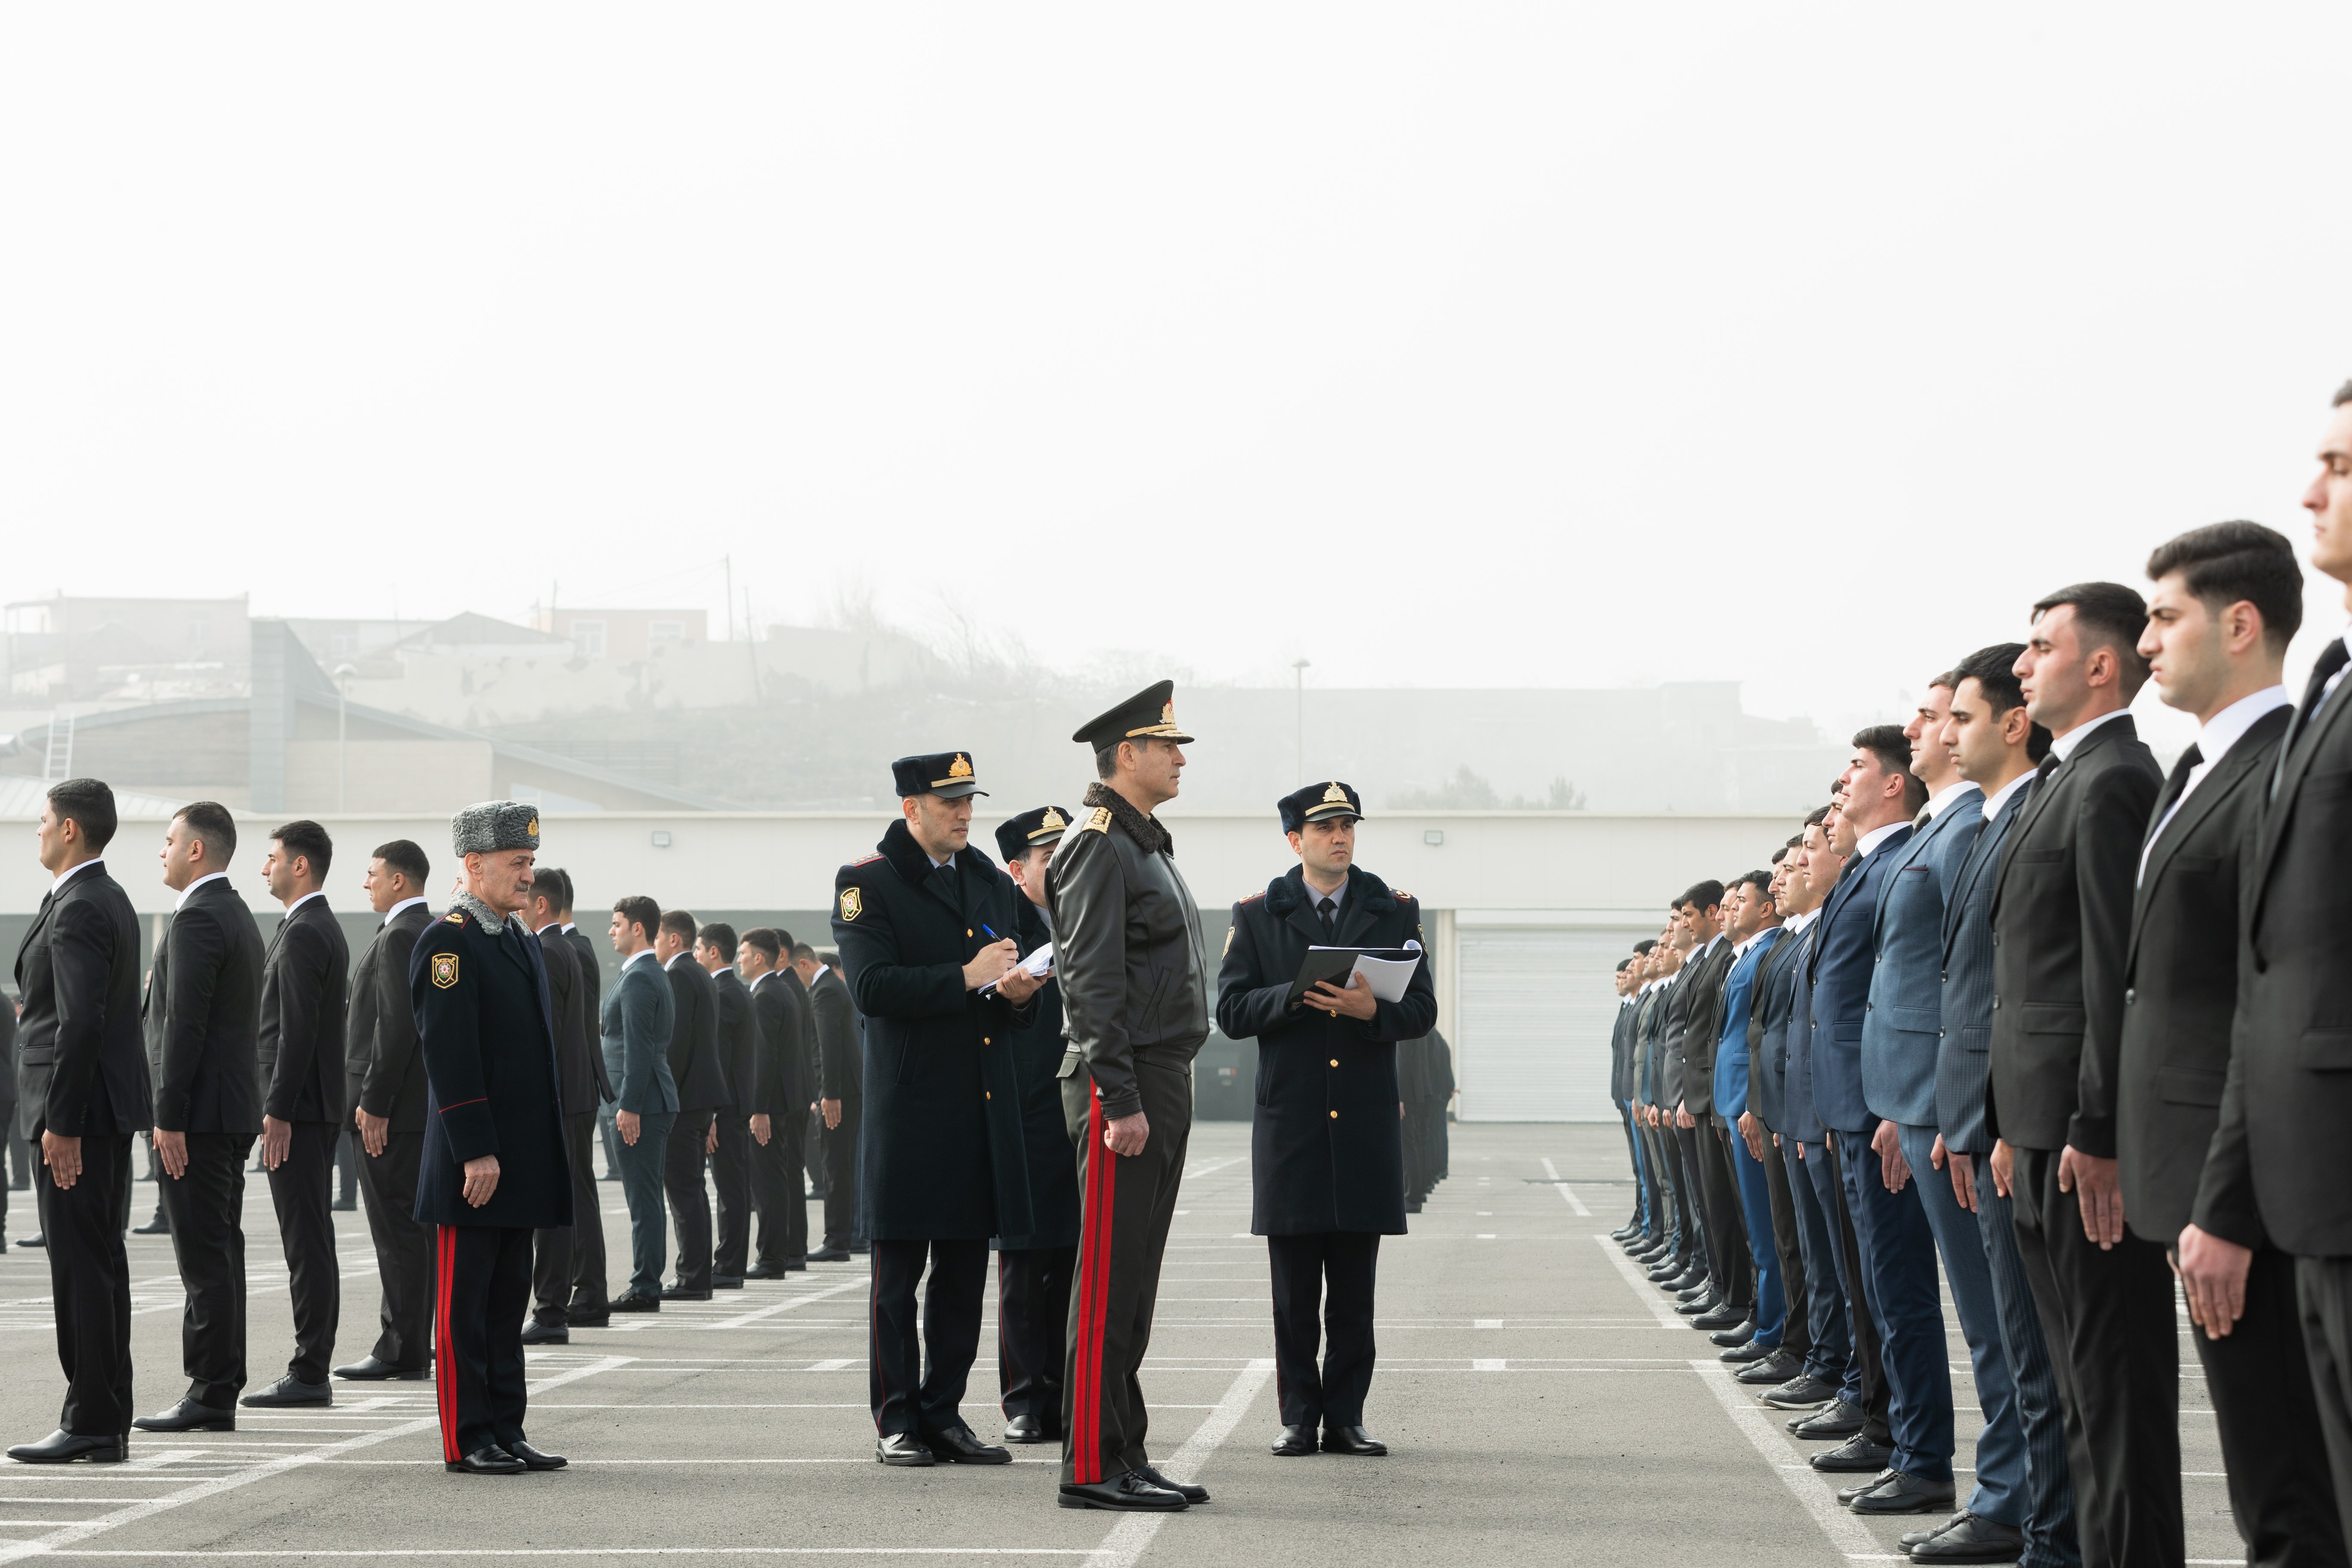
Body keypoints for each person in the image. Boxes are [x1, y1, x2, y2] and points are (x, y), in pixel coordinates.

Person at [2128, 522, 2343, 1567]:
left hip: (2261, 1188)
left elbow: (2253, 1005)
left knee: (2289, 1496)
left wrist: (2224, 1202)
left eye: (2163, 617)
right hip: (2214, 1178)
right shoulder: (2193, 771)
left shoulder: (2277, 759)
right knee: (2276, 1483)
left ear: (2240, 622)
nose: (2144, 642)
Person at [1989, 583, 2171, 1568]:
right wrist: (2003, 1121)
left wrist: (2095, 1128)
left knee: (2112, 1400)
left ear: (2098, 664)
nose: (2022, 666)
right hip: (2035, 1131)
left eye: (2038, 646)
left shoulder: (2112, 782)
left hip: (2078, 1141)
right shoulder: (2065, 777)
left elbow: (2115, 975)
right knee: (2074, 1395)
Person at [2204, 380, 2352, 1549]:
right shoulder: (2330, 696)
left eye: (2341, 467)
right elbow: (2272, 975)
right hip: (2312, 1192)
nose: (2312, 490)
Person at [1859, 680, 2034, 1562]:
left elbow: (1970, 985)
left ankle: (2011, 1496)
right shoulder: (1943, 828)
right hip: (1923, 1103)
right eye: (1935, 715)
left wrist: (1946, 1105)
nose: (1926, 729)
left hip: (1950, 1105)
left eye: (1943, 715)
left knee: (1997, 1322)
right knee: (1981, 1315)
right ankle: (2007, 1490)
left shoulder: (1972, 828)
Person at [831, 751, 1039, 1467]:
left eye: (968, 799)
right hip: (911, 1109)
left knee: (961, 1278)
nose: (964, 812)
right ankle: (896, 1417)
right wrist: (965, 976)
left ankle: (944, 1411)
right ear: (911, 806)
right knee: (897, 1281)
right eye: (949, 800)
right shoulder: (866, 882)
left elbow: (1009, 990)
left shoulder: (984, 877)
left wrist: (1014, 994)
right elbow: (872, 988)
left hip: (977, 1105)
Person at [1216, 780, 1436, 1458]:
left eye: (1348, 826)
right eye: (1325, 828)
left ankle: (1346, 1415)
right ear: (1295, 840)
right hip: (1294, 1122)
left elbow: (1422, 1008)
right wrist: (1295, 996)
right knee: (1292, 1292)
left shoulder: (1392, 909)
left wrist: (1376, 1014)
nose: (1340, 838)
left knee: (1353, 1290)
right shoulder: (1258, 914)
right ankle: (1297, 1417)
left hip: (1364, 1121)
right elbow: (1229, 1013)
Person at [1931, 644, 2077, 1568]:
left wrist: (1998, 1121)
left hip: (2016, 1119)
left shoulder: (2046, 807)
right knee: (2006, 1342)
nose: (1942, 735)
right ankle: (2025, 1514)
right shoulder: (1989, 821)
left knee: (2031, 1346)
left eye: (1960, 719)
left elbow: (2038, 989)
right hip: (1978, 1113)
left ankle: (2043, 1527)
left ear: (2014, 725)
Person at [1049, 680, 1211, 1513]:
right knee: (1108, 1281)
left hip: (1160, 1074)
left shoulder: (1144, 843)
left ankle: (1126, 1451)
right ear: (1126, 755)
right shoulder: (1098, 844)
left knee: (1134, 1287)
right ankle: (1089, 1464)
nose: (1180, 758)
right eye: (1168, 745)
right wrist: (1120, 1100)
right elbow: (1089, 982)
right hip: (1127, 1081)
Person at [409, 803, 570, 1473]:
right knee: (465, 1309)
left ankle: (507, 1425)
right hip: (475, 1163)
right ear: (473, 866)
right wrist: (475, 1146)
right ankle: (469, 1435)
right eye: (516, 863)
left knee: (506, 1307)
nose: (528, 875)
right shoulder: (450, 941)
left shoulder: (518, 938)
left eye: (531, 862)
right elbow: (450, 1053)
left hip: (520, 1158)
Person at [7, 779, 146, 1464]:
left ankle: (92, 1416)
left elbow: (81, 1022)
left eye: (42, 821)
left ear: (70, 831)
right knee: (99, 1264)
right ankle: (104, 1412)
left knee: (81, 1269)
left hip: (77, 1118)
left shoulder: (83, 905)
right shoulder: (101, 897)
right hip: (95, 1111)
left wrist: (60, 1123)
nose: (35, 831)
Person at [134, 802, 265, 1433]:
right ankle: (218, 1384)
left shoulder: (198, 920)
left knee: (204, 1256)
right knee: (220, 1249)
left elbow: (183, 1025)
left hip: (201, 1118)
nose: (161, 851)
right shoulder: (234, 912)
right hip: (225, 1111)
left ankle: (211, 1390)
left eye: (168, 841)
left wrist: (168, 1116)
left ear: (196, 850)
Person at [246, 821, 349, 1409]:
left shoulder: (308, 930)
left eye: (273, 859)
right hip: (306, 1108)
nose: (267, 869)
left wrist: (278, 1110)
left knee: (307, 1241)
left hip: (301, 1111)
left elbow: (298, 1032)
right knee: (308, 1238)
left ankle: (311, 1370)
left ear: (301, 866)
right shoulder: (305, 926)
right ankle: (311, 1365)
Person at [994, 806, 1082, 1444]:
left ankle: (1070, 1392)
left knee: (1077, 1263)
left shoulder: (1094, 915)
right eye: (1048, 856)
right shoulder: (1001, 927)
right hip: (1026, 1110)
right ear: (1016, 868)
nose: (1061, 865)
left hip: (1089, 1110)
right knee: (1026, 1266)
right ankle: (1026, 1398)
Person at [335, 839, 438, 1382]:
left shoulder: (401, 935)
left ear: (399, 880)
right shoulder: (424, 930)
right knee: (414, 1234)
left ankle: (401, 1346)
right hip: (417, 1109)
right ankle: (413, 1340)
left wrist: (373, 1103)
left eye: (373, 873)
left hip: (393, 1113)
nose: (367, 882)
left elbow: (395, 1027)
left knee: (397, 1233)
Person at [1708, 871, 1788, 1371]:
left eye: (1738, 902)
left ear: (1764, 910)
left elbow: (1757, 1037)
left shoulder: (1765, 953)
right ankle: (1765, 1319)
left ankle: (1773, 1326)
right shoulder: (1745, 955)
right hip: (1733, 1099)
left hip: (1748, 1101)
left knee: (1767, 1225)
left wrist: (1748, 1105)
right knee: (1756, 1225)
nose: (1727, 910)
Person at [524, 873, 609, 1342]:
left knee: (558, 1204)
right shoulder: (567, 948)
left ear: (541, 904)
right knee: (573, 1198)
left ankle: (554, 1308)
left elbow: (548, 1038)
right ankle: (578, 1297)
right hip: (574, 1092)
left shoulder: (551, 951)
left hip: (561, 1095)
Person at [603, 896, 678, 1313]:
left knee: (643, 1198)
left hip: (641, 1105)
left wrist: (628, 1106)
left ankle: (646, 1285)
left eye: (617, 924)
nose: (611, 931)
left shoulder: (640, 978)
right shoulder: (648, 972)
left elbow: (639, 1048)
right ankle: (646, 1280)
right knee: (645, 1196)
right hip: (648, 1100)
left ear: (638, 929)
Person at [657, 909, 728, 1301]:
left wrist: (667, 1100)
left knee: (684, 1191)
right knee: (692, 1190)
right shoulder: (699, 973)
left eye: (657, 938)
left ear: (674, 940)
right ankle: (697, 1274)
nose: (654, 946)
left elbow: (677, 1044)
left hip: (685, 1100)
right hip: (701, 1099)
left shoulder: (680, 974)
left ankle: (693, 1277)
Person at [738, 929, 811, 1276]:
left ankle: (771, 1258)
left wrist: (759, 1108)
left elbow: (765, 1057)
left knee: (768, 1184)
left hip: (773, 1104)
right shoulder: (782, 988)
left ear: (759, 958)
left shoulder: (766, 994)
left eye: (743, 953)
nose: (739, 959)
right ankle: (790, 1253)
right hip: (790, 1099)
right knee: (782, 1179)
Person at [698, 923, 758, 1290]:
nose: (696, 957)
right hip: (737, 1103)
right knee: (735, 1187)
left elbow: (718, 1059)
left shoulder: (722, 993)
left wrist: (714, 1114)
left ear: (713, 953)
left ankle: (729, 1265)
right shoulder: (736, 990)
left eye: (699, 950)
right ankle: (731, 1263)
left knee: (731, 1189)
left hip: (728, 1107)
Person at [800, 943, 863, 1262]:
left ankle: (837, 1240)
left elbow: (828, 1047)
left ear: (803, 965)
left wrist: (829, 1095)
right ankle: (848, 1236)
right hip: (847, 1089)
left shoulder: (824, 991)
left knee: (835, 1166)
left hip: (839, 1093)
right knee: (842, 1165)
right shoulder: (832, 987)